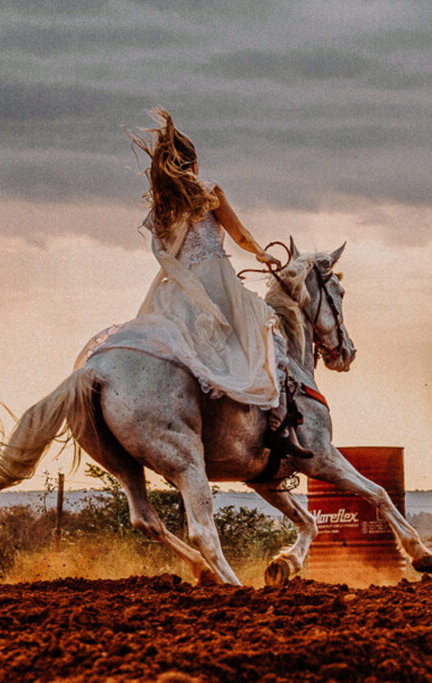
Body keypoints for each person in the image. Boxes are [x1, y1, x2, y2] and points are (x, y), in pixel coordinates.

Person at [76, 107, 308, 459]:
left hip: (178, 289)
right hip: (216, 283)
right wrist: (263, 255)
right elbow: (240, 234)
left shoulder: (161, 204)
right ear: (195, 165)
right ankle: (278, 428)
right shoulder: (207, 190)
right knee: (268, 336)